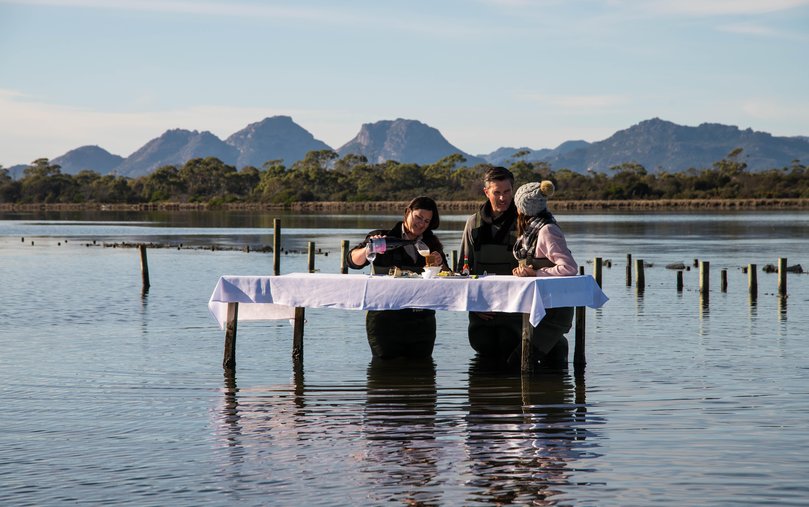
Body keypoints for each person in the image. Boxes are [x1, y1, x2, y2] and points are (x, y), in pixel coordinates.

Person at [346, 196, 448, 359]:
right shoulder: (382, 238)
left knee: (424, 371)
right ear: (407, 212)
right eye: (418, 217)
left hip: (422, 322)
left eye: (427, 221)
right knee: (384, 371)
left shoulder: (432, 244)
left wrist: (440, 263)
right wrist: (368, 250)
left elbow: (447, 275)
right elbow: (352, 262)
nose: (421, 224)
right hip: (384, 322)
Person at [458, 166, 523, 366]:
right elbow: (463, 271)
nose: (503, 198)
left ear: (513, 190)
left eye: (507, 191)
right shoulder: (473, 223)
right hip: (482, 314)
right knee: (484, 359)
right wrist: (473, 305)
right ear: (486, 192)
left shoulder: (524, 222)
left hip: (515, 311)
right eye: (497, 192)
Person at [511, 180, 578, 369]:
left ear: (522, 208)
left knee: (518, 363)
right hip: (540, 310)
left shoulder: (547, 230)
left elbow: (569, 267)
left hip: (554, 315)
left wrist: (536, 273)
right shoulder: (530, 231)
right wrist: (523, 272)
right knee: (533, 364)